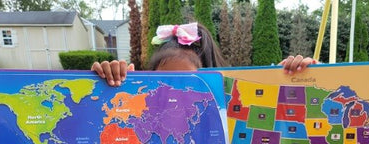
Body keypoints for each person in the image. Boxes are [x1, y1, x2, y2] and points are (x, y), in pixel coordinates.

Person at [91, 22, 316, 86]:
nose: (176, 91)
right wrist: (106, 84)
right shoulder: (146, 110)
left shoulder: (229, 115)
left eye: (190, 82)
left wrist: (298, 79)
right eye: (166, 81)